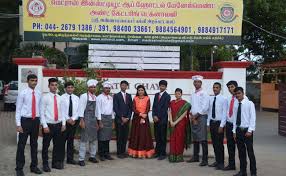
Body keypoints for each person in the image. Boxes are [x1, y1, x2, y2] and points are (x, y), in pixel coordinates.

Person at [15, 74, 42, 176]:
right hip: (25, 121)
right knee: (21, 145)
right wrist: (18, 124)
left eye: (35, 80)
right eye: (32, 80)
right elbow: (18, 110)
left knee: (34, 145)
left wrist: (40, 124)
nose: (34, 82)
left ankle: (34, 166)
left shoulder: (39, 93)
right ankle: (19, 168)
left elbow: (39, 109)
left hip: (35, 121)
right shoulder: (23, 93)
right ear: (28, 81)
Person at [41, 78, 66, 172]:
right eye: (52, 85)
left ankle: (55, 163)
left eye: (56, 85)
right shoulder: (45, 97)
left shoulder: (60, 98)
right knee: (45, 146)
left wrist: (63, 124)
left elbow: (63, 112)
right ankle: (45, 164)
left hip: (58, 125)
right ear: (49, 86)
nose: (54, 87)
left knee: (57, 145)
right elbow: (42, 113)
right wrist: (44, 126)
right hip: (49, 125)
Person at [233, 87, 257, 176]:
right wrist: (234, 131)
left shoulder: (250, 104)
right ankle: (243, 171)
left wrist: (250, 130)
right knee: (241, 152)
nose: (237, 95)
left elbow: (253, 118)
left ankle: (253, 172)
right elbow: (235, 119)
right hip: (239, 130)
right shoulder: (236, 104)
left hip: (247, 131)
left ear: (243, 93)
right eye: (236, 94)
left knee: (250, 152)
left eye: (239, 93)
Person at [187, 75, 209, 166]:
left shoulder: (204, 93)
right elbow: (191, 106)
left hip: (201, 117)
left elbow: (205, 107)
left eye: (198, 82)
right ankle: (195, 157)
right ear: (193, 83)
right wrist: (192, 116)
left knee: (203, 138)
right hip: (194, 118)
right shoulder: (193, 94)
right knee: (195, 138)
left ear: (201, 83)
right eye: (195, 82)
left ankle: (205, 159)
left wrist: (196, 116)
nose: (196, 83)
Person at [78, 79, 101, 166]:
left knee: (93, 139)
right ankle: (81, 158)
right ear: (88, 88)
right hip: (86, 119)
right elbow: (81, 108)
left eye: (94, 87)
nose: (93, 88)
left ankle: (92, 156)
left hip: (93, 120)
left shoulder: (95, 97)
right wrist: (81, 120)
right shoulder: (84, 96)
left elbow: (97, 110)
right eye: (91, 87)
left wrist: (98, 122)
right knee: (84, 139)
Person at [128, 85, 155, 158]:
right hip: (136, 118)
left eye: (142, 90)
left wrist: (144, 114)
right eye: (139, 90)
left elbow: (148, 108)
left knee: (144, 134)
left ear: (144, 91)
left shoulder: (147, 98)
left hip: (144, 118)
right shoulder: (135, 98)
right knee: (136, 134)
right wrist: (140, 114)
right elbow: (133, 108)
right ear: (137, 91)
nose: (140, 92)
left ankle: (145, 153)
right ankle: (135, 152)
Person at [207, 82, 227, 170]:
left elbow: (224, 113)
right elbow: (209, 112)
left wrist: (222, 125)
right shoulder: (210, 99)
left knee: (219, 144)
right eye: (214, 87)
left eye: (217, 87)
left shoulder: (224, 99)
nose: (215, 89)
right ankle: (217, 161)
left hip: (219, 124)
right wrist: (208, 124)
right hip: (212, 123)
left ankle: (221, 163)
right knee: (214, 143)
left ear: (220, 89)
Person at [168, 88, 191, 163]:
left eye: (179, 93)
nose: (177, 95)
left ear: (181, 94)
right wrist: (171, 121)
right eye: (176, 93)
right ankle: (172, 156)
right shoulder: (171, 102)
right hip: (172, 123)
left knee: (179, 140)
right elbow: (169, 112)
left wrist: (175, 122)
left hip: (180, 124)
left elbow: (184, 114)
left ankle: (178, 157)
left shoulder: (185, 103)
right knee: (173, 139)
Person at [60, 81, 79, 165]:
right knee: (62, 141)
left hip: (74, 122)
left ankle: (70, 159)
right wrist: (68, 119)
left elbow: (79, 110)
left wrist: (73, 118)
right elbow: (61, 110)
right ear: (65, 89)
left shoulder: (76, 98)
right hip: (64, 122)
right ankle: (60, 159)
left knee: (71, 141)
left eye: (71, 87)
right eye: (68, 87)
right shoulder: (61, 97)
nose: (70, 89)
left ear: (73, 88)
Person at [113, 80, 133, 159]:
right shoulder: (116, 95)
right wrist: (121, 117)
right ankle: (119, 152)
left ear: (127, 87)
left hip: (127, 120)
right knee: (119, 136)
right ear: (120, 86)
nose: (124, 86)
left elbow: (130, 108)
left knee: (125, 136)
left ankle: (123, 152)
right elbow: (115, 108)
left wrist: (128, 117)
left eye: (125, 85)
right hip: (119, 119)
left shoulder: (129, 96)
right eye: (122, 85)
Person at [152, 80, 171, 160]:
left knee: (162, 137)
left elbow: (165, 108)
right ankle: (157, 152)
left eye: (163, 86)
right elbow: (154, 106)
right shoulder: (156, 95)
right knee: (157, 136)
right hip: (155, 119)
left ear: (166, 87)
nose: (162, 87)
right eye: (161, 86)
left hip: (162, 119)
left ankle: (163, 154)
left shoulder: (167, 96)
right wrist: (154, 115)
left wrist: (158, 117)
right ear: (159, 86)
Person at [97, 81, 115, 161]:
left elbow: (112, 110)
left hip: (109, 119)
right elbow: (98, 110)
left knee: (107, 137)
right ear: (103, 88)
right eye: (106, 88)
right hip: (102, 118)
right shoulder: (99, 97)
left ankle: (107, 153)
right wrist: (99, 121)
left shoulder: (111, 98)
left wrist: (113, 121)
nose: (108, 89)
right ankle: (101, 154)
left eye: (109, 88)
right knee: (101, 137)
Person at [223, 80, 239, 171]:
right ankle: (231, 165)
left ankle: (243, 168)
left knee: (240, 147)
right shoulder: (228, 99)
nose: (230, 89)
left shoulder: (242, 98)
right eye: (229, 87)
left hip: (237, 126)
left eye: (232, 87)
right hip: (229, 125)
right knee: (230, 145)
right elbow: (225, 113)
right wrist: (223, 125)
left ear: (236, 87)